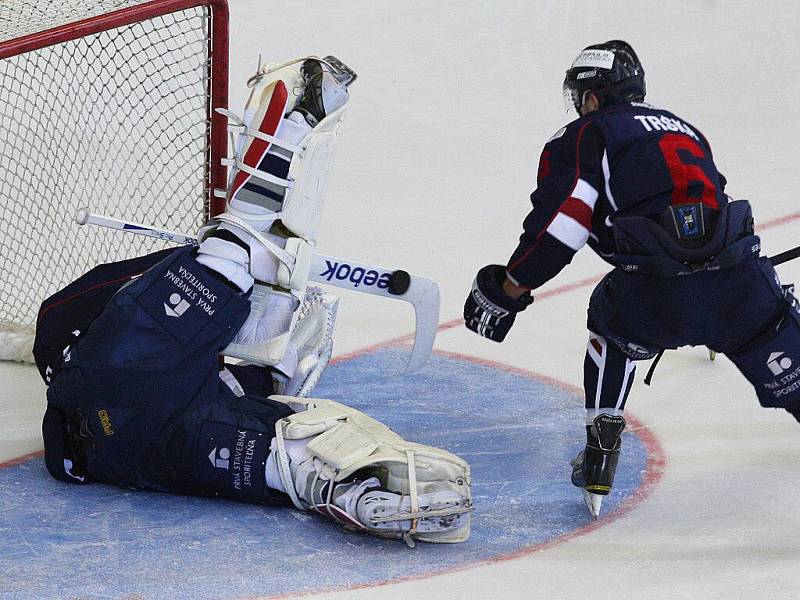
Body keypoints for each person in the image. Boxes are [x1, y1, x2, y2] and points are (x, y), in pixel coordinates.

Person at [36, 56, 471, 546]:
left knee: (285, 452)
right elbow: (63, 322)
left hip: (123, 452)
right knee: (240, 255)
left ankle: (345, 487)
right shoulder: (113, 312)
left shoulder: (142, 344)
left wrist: (275, 367)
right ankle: (291, 128)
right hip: (123, 409)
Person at [463, 40, 800, 518]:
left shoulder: (583, 135)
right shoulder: (685, 128)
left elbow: (564, 223)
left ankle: (601, 453)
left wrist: (512, 286)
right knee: (776, 333)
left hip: (651, 301)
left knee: (610, 321)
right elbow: (708, 206)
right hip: (740, 293)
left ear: (593, 98)